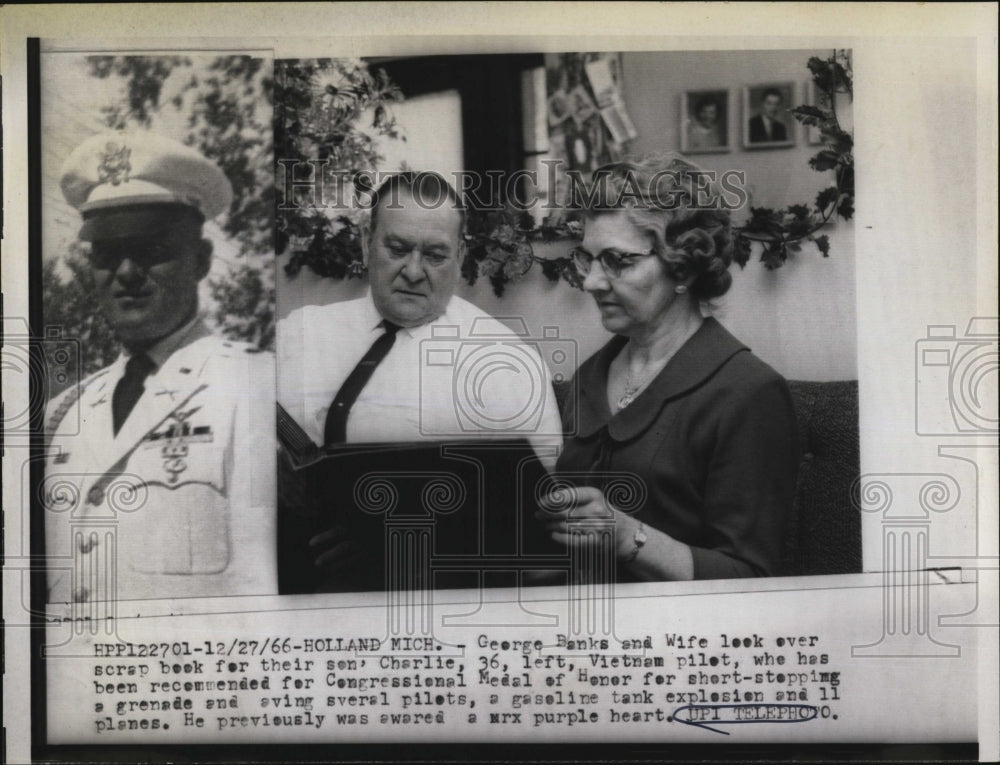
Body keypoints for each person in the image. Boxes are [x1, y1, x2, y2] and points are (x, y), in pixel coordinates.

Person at [276, 171, 563, 591]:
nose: (413, 272)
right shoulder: (296, 336)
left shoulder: (507, 365)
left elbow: (545, 529)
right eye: (397, 249)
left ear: (461, 255)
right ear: (365, 242)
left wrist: (392, 544)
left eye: (434, 255)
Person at [537, 155, 799, 581]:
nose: (591, 283)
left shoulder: (750, 393)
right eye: (588, 259)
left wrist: (628, 538)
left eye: (617, 261)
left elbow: (751, 578)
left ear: (684, 267)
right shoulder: (589, 377)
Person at [45, 132, 277, 605]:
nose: (126, 272)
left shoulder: (259, 388)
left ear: (202, 261)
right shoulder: (60, 414)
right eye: (108, 254)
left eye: (150, 249)